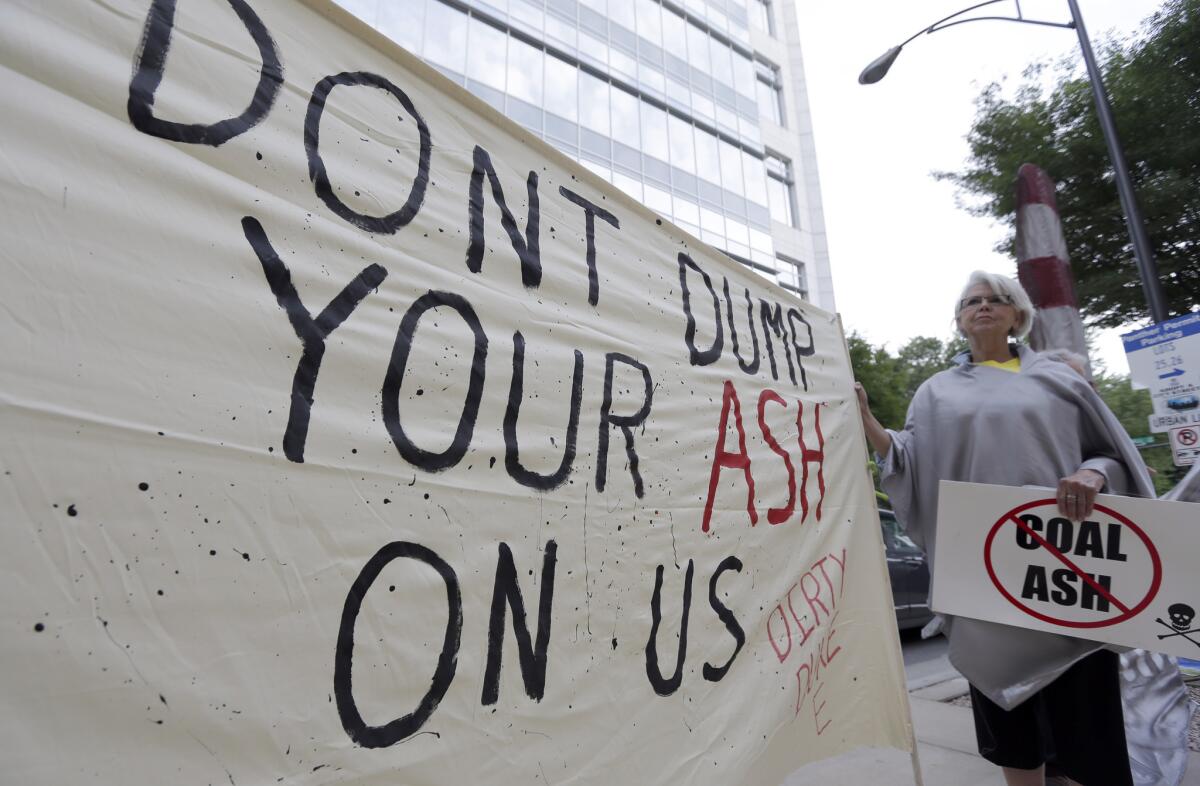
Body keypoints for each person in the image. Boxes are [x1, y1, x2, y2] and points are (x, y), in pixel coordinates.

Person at [855, 271, 1156, 786]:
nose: (984, 306)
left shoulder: (1061, 380)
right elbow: (908, 458)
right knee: (1007, 712)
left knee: (1084, 706)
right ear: (959, 320)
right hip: (985, 570)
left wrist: (1092, 472)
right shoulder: (934, 393)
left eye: (997, 299)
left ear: (1018, 314)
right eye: (972, 301)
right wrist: (866, 419)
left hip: (1066, 564)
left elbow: (1112, 452)